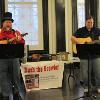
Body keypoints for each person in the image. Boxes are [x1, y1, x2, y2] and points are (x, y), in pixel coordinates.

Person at [71, 16, 100, 93]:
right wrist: (80, 42)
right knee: (85, 73)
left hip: (95, 55)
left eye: (92, 22)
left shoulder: (97, 30)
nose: (90, 24)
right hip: (83, 55)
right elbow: (72, 38)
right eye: (89, 22)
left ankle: (98, 87)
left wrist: (96, 42)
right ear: (85, 22)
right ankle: (87, 87)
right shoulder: (80, 30)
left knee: (98, 72)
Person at [0, 12, 25, 100]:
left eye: (10, 22)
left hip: (14, 58)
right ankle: (5, 95)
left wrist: (20, 40)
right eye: (6, 22)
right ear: (2, 23)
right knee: (3, 77)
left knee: (16, 76)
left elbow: (22, 43)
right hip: (2, 59)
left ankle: (17, 93)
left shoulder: (16, 33)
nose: (8, 24)